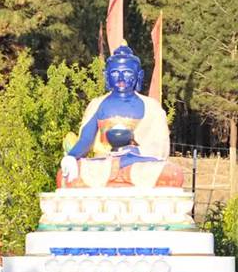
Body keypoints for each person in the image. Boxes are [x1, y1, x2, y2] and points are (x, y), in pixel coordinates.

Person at [58, 44, 183, 189]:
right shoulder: (98, 104)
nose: (121, 78)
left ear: (139, 76)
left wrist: (133, 152)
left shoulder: (152, 107)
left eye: (128, 72)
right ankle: (118, 178)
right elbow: (85, 140)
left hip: (139, 164)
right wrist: (71, 157)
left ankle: (121, 177)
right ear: (107, 76)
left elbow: (159, 149)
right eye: (115, 73)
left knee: (171, 174)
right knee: (66, 174)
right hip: (104, 164)